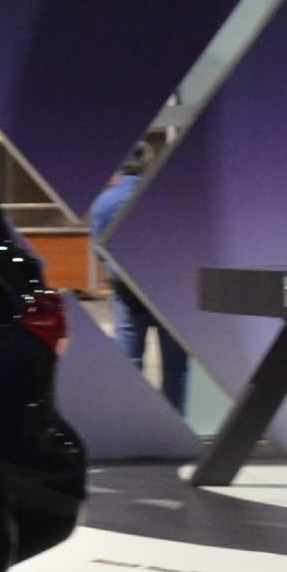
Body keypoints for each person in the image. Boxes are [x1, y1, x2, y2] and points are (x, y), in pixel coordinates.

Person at [89, 144, 187, 412]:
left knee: (129, 366)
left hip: (127, 295)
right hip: (171, 295)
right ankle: (174, 428)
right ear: (148, 165)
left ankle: (132, 426)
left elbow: (99, 251)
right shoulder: (166, 196)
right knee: (175, 370)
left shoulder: (105, 202)